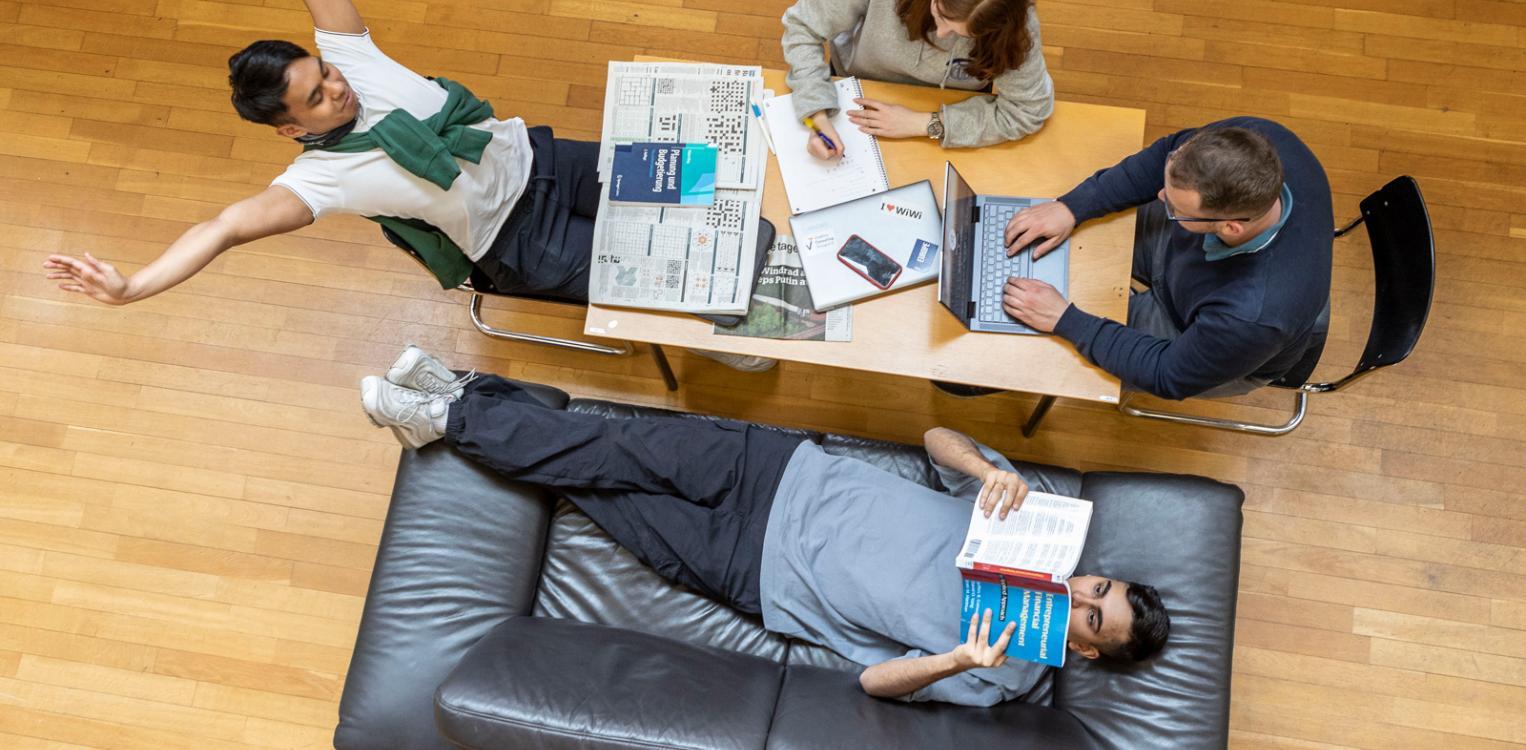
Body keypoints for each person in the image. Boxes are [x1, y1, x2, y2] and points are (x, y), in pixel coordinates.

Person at [360, 344, 1171, 706]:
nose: (1082, 593)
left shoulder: (999, 677)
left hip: (754, 571)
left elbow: (870, 683)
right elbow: (933, 439)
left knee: (596, 487)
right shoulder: (1030, 523)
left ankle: (457, 403)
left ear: (1089, 650)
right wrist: (987, 472)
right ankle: (451, 405)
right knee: (611, 442)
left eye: (1094, 614)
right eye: (1097, 585)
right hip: (780, 471)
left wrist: (953, 660)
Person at [41, 0, 774, 372]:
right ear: (290, 130)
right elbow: (223, 227)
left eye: (324, 72)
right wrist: (133, 286)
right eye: (317, 97)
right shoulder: (317, 179)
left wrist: (338, 63)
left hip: (544, 160)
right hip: (520, 240)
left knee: (713, 184)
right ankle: (714, 331)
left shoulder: (351, 61)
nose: (336, 88)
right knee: (693, 282)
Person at [1000, 117, 1332, 400]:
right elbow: (1164, 156)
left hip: (1191, 332)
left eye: (1173, 207)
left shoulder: (1252, 319)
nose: (1159, 197)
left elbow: (1166, 373)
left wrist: (1065, 319)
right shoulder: (1255, 142)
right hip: (1186, 261)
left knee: (1044, 351)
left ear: (1231, 227)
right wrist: (1072, 206)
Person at [781, 0, 1053, 157]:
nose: (944, 35)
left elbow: (1028, 109)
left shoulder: (1014, 24)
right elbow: (803, 27)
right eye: (940, 16)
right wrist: (815, 115)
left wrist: (927, 123)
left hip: (944, 111)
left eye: (965, 35)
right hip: (857, 88)